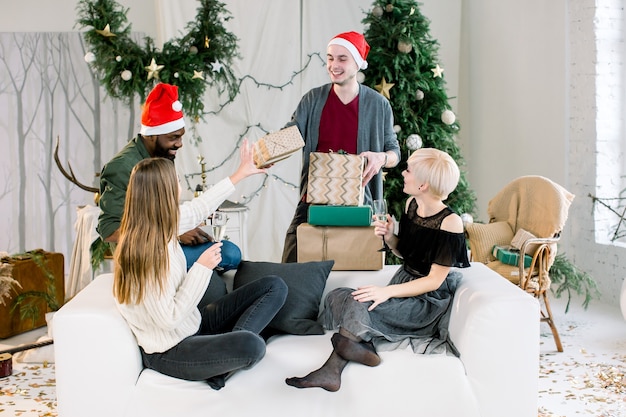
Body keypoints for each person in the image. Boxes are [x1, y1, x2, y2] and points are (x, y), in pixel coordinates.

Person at [285, 148, 471, 392]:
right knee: (339, 295)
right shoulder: (411, 204)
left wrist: (387, 293)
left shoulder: (451, 222)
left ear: (423, 184)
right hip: (402, 284)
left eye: (409, 171)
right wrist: (390, 236)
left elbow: (434, 280)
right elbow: (405, 254)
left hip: (425, 301)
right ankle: (358, 348)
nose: (403, 174)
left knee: (360, 302)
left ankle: (332, 370)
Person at [113, 155, 288, 390]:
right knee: (252, 346)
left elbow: (199, 208)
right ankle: (223, 361)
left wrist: (241, 172)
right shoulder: (142, 254)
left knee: (274, 286)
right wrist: (201, 268)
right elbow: (168, 319)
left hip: (192, 326)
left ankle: (220, 363)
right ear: (164, 192)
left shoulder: (160, 224)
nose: (181, 186)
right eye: (176, 181)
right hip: (170, 350)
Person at [281, 31, 401, 263]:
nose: (334, 65)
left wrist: (380, 159)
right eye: (330, 58)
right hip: (314, 199)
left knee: (356, 265)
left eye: (342, 59)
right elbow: (292, 134)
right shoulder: (312, 100)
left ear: (358, 63)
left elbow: (394, 152)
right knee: (292, 263)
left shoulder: (378, 105)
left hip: (361, 203)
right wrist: (265, 153)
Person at [97, 82, 241, 272]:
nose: (180, 144)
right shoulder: (123, 167)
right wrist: (174, 233)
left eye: (181, 136)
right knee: (229, 254)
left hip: (165, 245)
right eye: (173, 137)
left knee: (224, 250)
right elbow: (109, 231)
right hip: (143, 258)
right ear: (151, 136)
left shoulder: (161, 154)